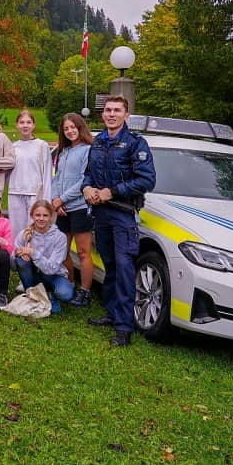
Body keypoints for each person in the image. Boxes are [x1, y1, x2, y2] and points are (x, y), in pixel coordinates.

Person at [83, 96, 156, 346]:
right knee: (110, 264)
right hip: (101, 214)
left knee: (125, 268)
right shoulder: (98, 142)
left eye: (117, 111)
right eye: (108, 111)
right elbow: (88, 175)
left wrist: (112, 191)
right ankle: (113, 314)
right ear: (102, 115)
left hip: (123, 214)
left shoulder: (135, 143)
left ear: (126, 115)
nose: (111, 114)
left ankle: (124, 327)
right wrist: (87, 189)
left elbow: (147, 181)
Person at [51, 112, 95, 307]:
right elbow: (57, 177)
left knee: (84, 252)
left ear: (80, 127)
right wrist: (55, 200)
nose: (69, 131)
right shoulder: (64, 151)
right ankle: (69, 284)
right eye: (66, 128)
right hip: (62, 209)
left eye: (73, 127)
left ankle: (85, 291)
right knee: (62, 251)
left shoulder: (88, 150)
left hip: (79, 207)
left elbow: (83, 181)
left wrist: (63, 199)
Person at [13, 200, 75, 313]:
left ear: (51, 216)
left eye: (45, 215)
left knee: (66, 294)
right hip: (34, 275)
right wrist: (18, 253)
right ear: (32, 215)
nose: (41, 218)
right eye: (37, 215)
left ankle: (51, 295)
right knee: (20, 261)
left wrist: (33, 253)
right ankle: (33, 295)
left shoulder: (60, 237)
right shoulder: (24, 234)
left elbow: (52, 268)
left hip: (54, 275)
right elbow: (13, 265)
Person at [7, 109, 52, 240]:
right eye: (22, 122)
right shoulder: (12, 147)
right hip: (15, 193)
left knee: (34, 231)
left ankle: (33, 258)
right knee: (17, 231)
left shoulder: (41, 146)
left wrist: (46, 201)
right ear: (17, 125)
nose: (25, 125)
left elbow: (47, 174)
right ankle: (16, 258)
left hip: (34, 194)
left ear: (33, 125)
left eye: (28, 122)